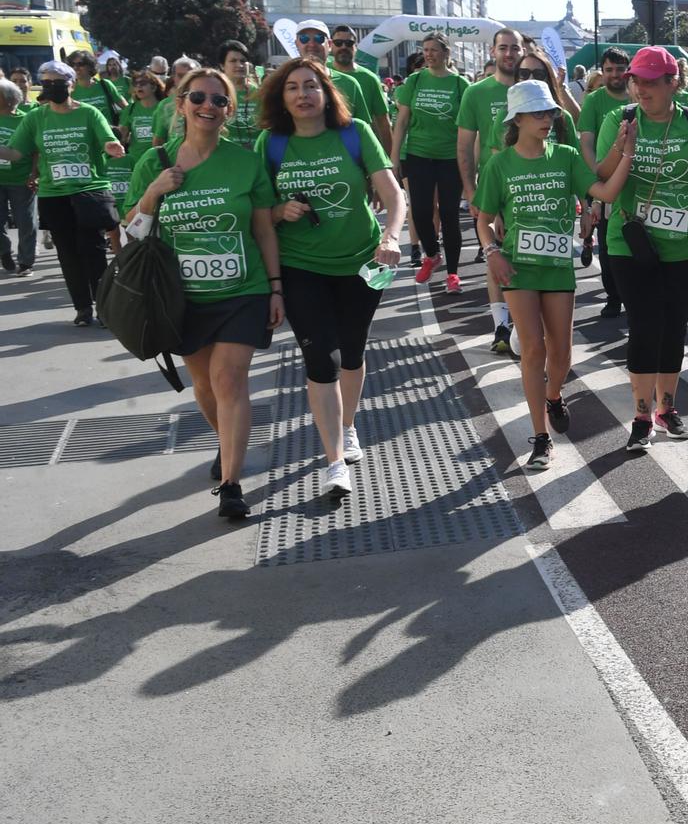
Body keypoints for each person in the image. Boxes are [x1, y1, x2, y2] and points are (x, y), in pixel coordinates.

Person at [124, 67, 283, 520]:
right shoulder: (154, 163)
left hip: (242, 290)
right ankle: (224, 441)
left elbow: (264, 231)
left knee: (229, 380)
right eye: (198, 98)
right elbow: (131, 230)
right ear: (181, 104)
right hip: (184, 297)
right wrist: (153, 193)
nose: (207, 107)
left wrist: (274, 288)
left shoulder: (246, 161)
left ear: (229, 109)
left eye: (218, 100)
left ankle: (231, 484)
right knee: (204, 385)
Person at [254, 55, 408, 503]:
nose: (303, 94)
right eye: (293, 88)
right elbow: (256, 210)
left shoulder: (354, 133)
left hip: (363, 262)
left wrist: (392, 236)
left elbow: (392, 192)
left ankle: (347, 423)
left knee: (353, 351)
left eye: (311, 86)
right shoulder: (271, 143)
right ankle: (335, 461)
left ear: (327, 93)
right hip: (301, 265)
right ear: (281, 97)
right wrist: (279, 211)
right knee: (321, 356)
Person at [475, 80, 633, 470]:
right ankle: (541, 437)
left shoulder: (564, 156)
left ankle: (554, 394)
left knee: (560, 352)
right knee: (532, 349)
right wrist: (492, 252)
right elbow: (482, 219)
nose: (546, 119)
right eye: (537, 114)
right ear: (518, 120)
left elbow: (603, 192)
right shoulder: (499, 164)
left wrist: (625, 153)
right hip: (518, 267)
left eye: (549, 113)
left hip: (557, 267)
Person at [591, 46, 688, 449]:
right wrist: (623, 146)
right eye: (636, 80)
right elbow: (602, 174)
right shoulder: (621, 118)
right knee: (645, 325)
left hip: (685, 244)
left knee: (673, 328)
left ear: (673, 83)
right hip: (630, 240)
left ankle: (668, 408)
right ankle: (642, 416)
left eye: (650, 82)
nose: (640, 89)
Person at [0, 61, 127, 325]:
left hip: (89, 190)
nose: (51, 87)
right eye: (45, 83)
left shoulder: (89, 113)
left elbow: (107, 138)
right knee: (67, 254)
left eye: (57, 82)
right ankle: (82, 308)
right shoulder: (36, 117)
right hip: (53, 195)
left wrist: (112, 146)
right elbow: (15, 152)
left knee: (92, 251)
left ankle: (104, 308)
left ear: (70, 84)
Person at [458, 28, 530, 345]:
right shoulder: (476, 93)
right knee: (496, 255)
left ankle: (525, 323)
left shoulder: (533, 90)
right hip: (493, 186)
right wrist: (472, 192)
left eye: (515, 48)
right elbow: (464, 147)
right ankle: (501, 326)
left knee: (528, 257)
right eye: (504, 48)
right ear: (493, 52)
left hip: (532, 184)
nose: (510, 53)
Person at [392, 34, 470, 293]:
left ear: (446, 53)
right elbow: (401, 122)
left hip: (450, 157)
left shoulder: (460, 84)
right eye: (425, 50)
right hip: (418, 155)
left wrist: (471, 163)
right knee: (421, 211)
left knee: (449, 215)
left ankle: (453, 274)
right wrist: (394, 157)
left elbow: (469, 128)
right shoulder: (415, 81)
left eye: (434, 50)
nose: (428, 54)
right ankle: (432, 254)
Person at [578, 47, 635, 318]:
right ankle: (614, 297)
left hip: (637, 181)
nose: (615, 74)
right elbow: (586, 143)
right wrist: (596, 182)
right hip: (605, 182)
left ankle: (635, 295)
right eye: (609, 69)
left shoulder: (639, 96)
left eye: (620, 68)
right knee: (609, 243)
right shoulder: (594, 101)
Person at [104, 69, 167, 218]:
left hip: (161, 161)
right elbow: (123, 134)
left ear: (153, 87)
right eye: (135, 84)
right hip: (136, 162)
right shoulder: (130, 109)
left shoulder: (164, 107)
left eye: (143, 83)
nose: (138, 87)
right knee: (140, 201)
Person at [328, 23, 397, 149]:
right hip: (327, 150)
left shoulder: (370, 79)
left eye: (349, 43)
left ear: (355, 47)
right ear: (330, 45)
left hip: (360, 149)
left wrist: (389, 159)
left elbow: (383, 122)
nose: (343, 47)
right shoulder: (321, 72)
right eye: (338, 43)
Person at [0, 79, 36, 276]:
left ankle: (26, 262)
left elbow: (36, 150)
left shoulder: (26, 120)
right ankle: (4, 250)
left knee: (26, 222)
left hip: (21, 180)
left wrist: (34, 172)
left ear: (7, 99)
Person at [219, 41, 263, 141]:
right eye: (233, 61)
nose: (240, 65)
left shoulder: (260, 94)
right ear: (222, 65)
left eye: (243, 61)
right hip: (226, 152)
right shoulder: (216, 94)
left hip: (255, 154)